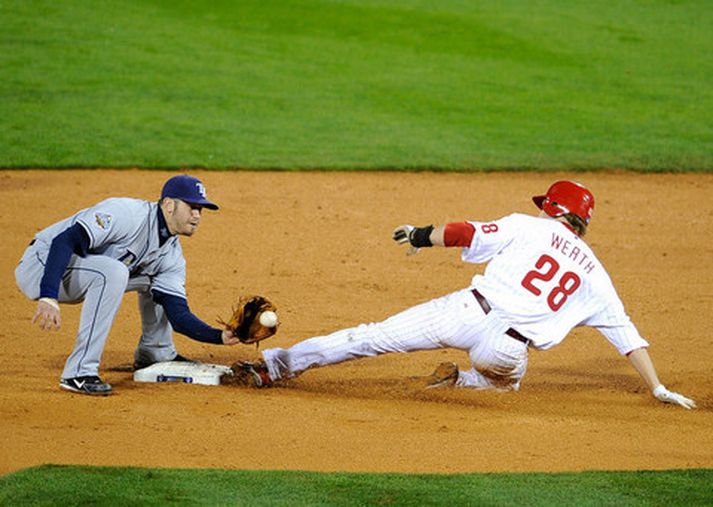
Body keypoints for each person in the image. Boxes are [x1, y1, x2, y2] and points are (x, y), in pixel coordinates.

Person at [236, 181, 696, 409]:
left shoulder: (527, 225)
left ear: (553, 210)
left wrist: (419, 236)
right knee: (504, 384)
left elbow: (464, 232)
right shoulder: (596, 274)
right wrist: (657, 387)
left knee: (371, 337)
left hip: (465, 314)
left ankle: (277, 366)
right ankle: (462, 381)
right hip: (507, 349)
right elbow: (629, 338)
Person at [15, 174, 241, 396]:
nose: (197, 215)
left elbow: (177, 313)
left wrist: (220, 336)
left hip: (85, 273)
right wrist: (48, 296)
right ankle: (78, 372)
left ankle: (155, 351)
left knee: (150, 281)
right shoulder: (127, 214)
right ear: (169, 205)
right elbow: (64, 241)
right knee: (114, 272)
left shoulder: (171, 256)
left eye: (200, 209)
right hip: (42, 266)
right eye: (191, 207)